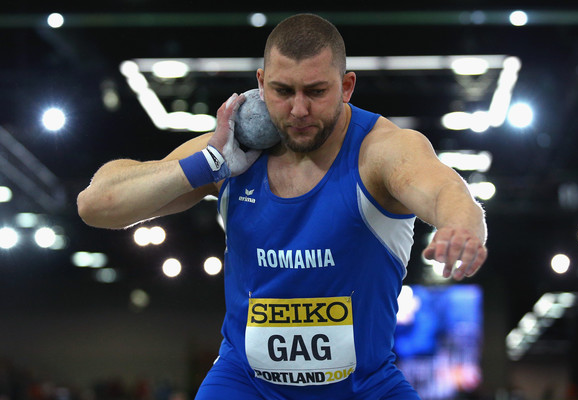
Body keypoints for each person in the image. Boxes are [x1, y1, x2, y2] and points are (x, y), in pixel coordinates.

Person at [77, 13, 487, 400]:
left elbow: (446, 190)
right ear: (260, 83)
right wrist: (207, 163)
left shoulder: (381, 150)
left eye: (316, 91)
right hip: (245, 384)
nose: (298, 109)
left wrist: (460, 227)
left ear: (346, 87)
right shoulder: (232, 151)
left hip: (364, 389)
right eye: (282, 91)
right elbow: (96, 204)